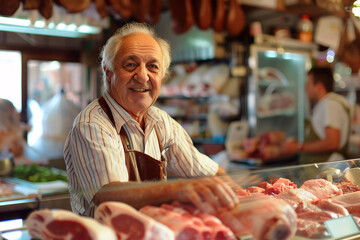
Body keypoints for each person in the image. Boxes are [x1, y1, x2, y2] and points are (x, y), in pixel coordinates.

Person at [64, 22, 239, 217]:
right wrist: (178, 189)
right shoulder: (92, 125)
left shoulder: (160, 121)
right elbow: (109, 195)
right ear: (108, 70)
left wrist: (244, 198)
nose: (142, 76)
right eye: (131, 65)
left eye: (152, 67)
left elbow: (210, 172)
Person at [282, 66, 351, 164]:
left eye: (308, 85)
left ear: (319, 87)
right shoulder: (325, 104)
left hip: (328, 168)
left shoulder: (330, 104)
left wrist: (298, 147)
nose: (306, 89)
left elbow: (332, 143)